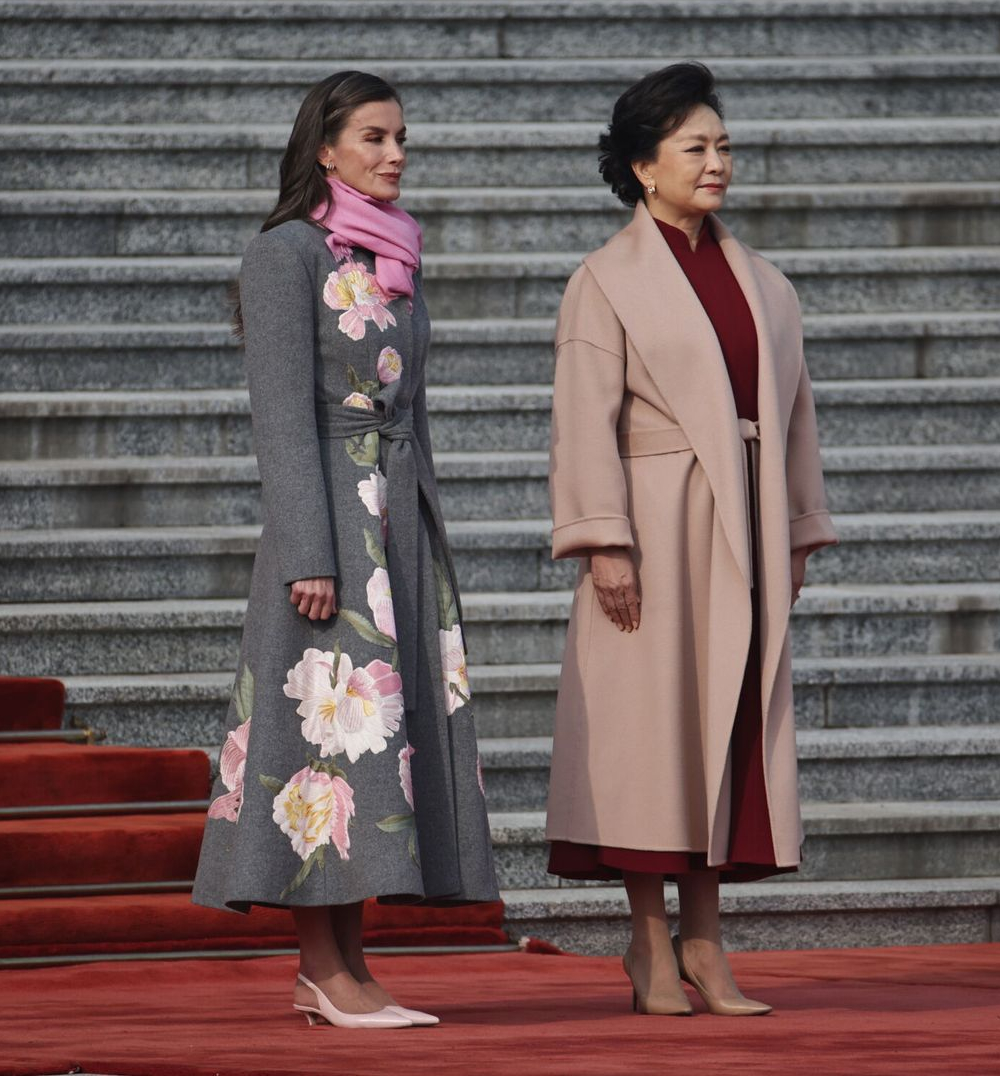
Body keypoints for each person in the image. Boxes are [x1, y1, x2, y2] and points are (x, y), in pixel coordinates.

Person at [193, 70, 498, 1030]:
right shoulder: (284, 254)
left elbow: (413, 410)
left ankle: (344, 967)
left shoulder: (397, 256)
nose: (395, 153)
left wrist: (428, 541)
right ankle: (325, 967)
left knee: (379, 753)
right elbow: (282, 417)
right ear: (326, 148)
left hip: (398, 527)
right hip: (328, 525)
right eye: (374, 137)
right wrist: (308, 551)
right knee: (327, 742)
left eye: (401, 136)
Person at [545, 62, 836, 1017]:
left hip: (743, 530)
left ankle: (707, 945)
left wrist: (795, 531)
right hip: (655, 531)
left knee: (728, 731)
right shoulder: (605, 281)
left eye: (723, 145)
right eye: (694, 148)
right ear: (642, 167)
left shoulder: (768, 283)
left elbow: (796, 421)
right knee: (651, 736)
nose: (717, 163)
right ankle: (647, 944)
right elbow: (584, 422)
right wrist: (605, 543)